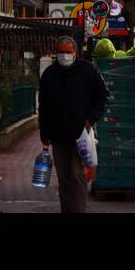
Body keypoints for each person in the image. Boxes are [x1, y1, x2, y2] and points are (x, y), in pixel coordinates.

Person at [38, 36, 110, 213]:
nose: (64, 55)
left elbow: (102, 96)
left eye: (67, 52)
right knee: (63, 178)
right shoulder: (49, 75)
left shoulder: (88, 71)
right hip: (57, 135)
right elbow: (44, 106)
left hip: (81, 134)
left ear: (75, 53)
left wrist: (89, 120)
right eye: (61, 52)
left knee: (77, 175)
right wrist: (44, 134)